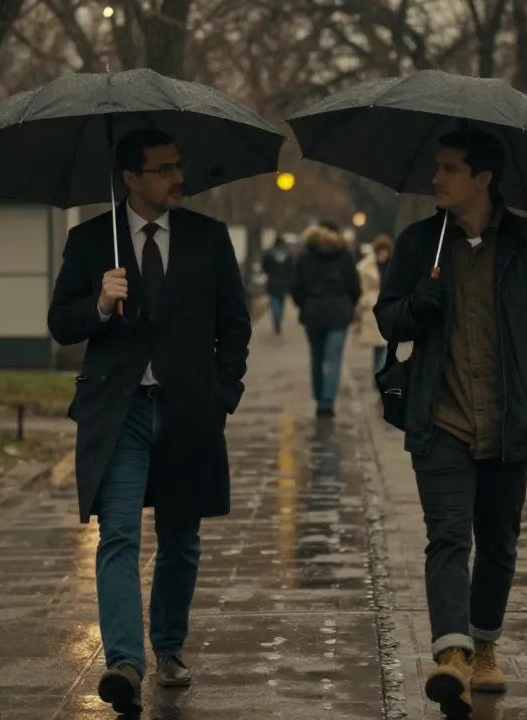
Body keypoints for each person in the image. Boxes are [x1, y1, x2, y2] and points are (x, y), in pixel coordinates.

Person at [373, 126, 527, 718]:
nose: (435, 179)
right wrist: (417, 306)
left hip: (511, 423)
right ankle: (452, 658)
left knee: (499, 545)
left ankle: (484, 643)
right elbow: (388, 319)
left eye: (448, 169)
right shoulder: (419, 244)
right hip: (440, 421)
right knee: (447, 538)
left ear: (483, 178)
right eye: (435, 166)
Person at [47, 128, 251, 716]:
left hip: (189, 411)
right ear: (131, 178)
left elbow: (234, 324)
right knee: (118, 535)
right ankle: (124, 663)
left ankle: (169, 646)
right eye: (163, 169)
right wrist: (98, 304)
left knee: (181, 541)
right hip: (120, 412)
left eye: (178, 165)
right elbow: (61, 323)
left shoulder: (208, 238)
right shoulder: (91, 242)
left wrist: (223, 394)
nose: (176, 177)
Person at [291, 222, 360, 418]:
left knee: (317, 356)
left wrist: (304, 304)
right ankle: (328, 401)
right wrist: (348, 305)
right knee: (334, 358)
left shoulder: (305, 256)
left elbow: (296, 286)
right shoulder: (345, 255)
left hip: (313, 311)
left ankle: (319, 396)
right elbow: (354, 285)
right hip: (339, 311)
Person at [356, 234, 394, 374]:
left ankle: (381, 372)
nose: (383, 254)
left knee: (385, 343)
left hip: (388, 306)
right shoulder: (366, 267)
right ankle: (379, 371)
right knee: (379, 344)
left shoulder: (393, 266)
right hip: (372, 307)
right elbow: (361, 288)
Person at [261, 235, 296, 335]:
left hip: (272, 281)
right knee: (281, 302)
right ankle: (279, 317)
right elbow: (292, 269)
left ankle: (276, 317)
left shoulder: (268, 254)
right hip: (284, 283)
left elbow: (264, 267)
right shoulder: (289, 255)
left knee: (274, 302)